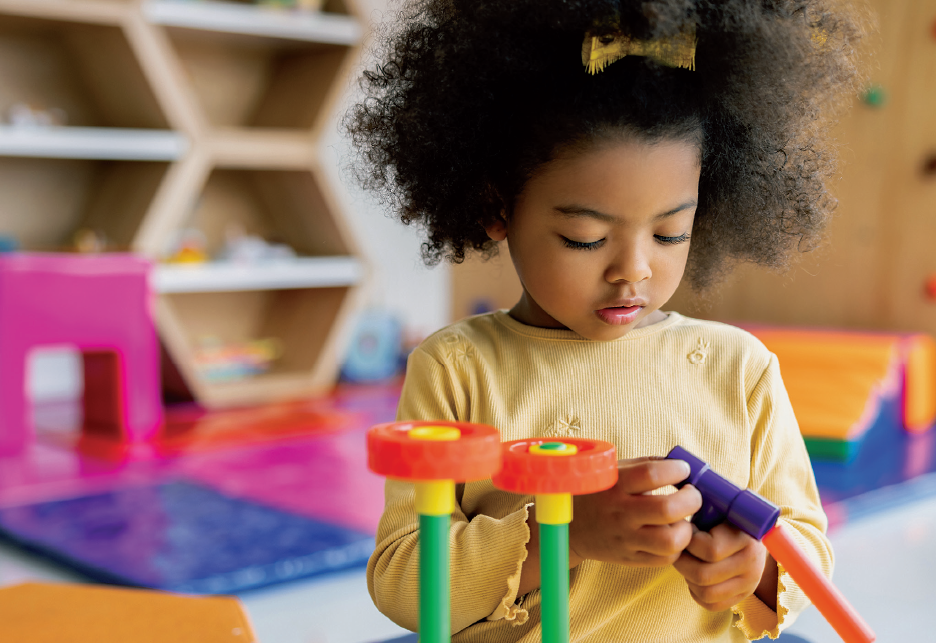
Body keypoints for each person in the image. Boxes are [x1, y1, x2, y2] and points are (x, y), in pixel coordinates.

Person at [345, 1, 865, 641]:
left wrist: (753, 570)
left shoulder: (740, 369)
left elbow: (804, 547)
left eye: (672, 233)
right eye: (585, 238)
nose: (634, 270)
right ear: (495, 207)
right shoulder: (459, 368)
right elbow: (404, 583)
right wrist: (565, 533)